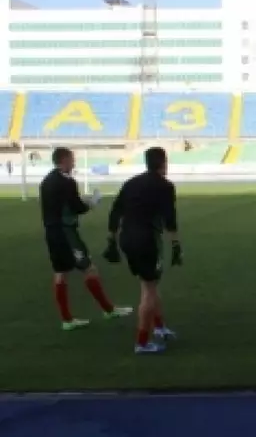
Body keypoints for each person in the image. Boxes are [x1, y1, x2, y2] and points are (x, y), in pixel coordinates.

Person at [39, 147, 132, 331]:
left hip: (51, 233)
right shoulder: (67, 182)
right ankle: (108, 310)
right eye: (72, 159)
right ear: (64, 160)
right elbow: (77, 207)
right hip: (66, 233)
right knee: (89, 268)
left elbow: (61, 204)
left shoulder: (46, 181)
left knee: (61, 273)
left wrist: (80, 201)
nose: (74, 163)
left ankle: (67, 319)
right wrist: (91, 202)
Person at [103, 147, 181, 354]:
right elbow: (170, 219)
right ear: (163, 162)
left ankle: (159, 327)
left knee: (149, 284)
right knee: (148, 290)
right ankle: (142, 342)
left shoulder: (131, 183)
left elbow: (115, 211)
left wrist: (111, 240)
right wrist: (176, 245)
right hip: (147, 240)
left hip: (127, 238)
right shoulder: (165, 186)